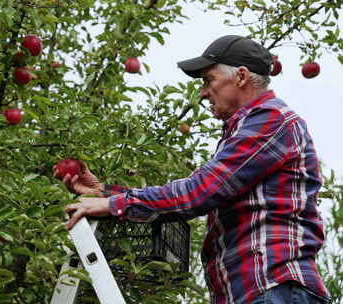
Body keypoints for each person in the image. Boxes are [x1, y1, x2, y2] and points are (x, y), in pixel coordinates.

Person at [58, 35, 331, 304]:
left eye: (208, 80)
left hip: (273, 287)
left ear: (241, 76)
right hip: (255, 291)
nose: (202, 92)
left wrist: (111, 204)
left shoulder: (272, 120)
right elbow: (198, 189)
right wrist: (104, 192)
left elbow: (200, 192)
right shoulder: (244, 131)